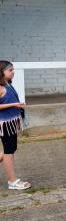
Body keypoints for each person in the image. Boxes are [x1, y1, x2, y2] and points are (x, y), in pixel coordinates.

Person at [0, 61, 30, 190]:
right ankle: (12, 181)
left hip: (11, 123)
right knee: (9, 151)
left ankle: (12, 180)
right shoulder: (0, 87)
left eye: (13, 69)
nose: (13, 72)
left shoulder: (7, 84)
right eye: (10, 70)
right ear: (2, 72)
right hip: (5, 124)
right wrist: (13, 105)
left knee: (10, 149)